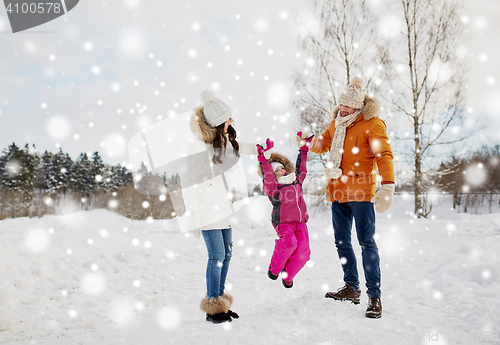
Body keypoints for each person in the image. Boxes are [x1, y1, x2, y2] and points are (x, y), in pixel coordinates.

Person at [304, 77, 395, 319]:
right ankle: (352, 287)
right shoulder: (337, 123)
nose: (343, 109)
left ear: (359, 107)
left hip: (362, 193)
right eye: (341, 105)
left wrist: (387, 186)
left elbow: (383, 155)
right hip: (338, 192)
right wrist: (309, 141)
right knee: (342, 243)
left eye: (348, 107)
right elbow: (324, 143)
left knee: (366, 243)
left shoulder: (372, 124)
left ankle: (374, 296)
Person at [189, 90, 241, 324]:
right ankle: (213, 306)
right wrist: (194, 215)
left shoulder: (226, 142)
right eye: (227, 119)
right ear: (219, 122)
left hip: (223, 205)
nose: (231, 122)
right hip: (208, 208)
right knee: (217, 255)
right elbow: (190, 181)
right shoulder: (201, 146)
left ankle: (220, 302)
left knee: (227, 254)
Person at [257, 134, 313, 288]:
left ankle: (288, 276)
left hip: (301, 222)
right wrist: (263, 160)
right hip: (283, 223)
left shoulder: (296, 180)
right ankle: (274, 269)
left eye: (282, 168)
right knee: (289, 243)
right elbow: (267, 177)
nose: (281, 171)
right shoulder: (274, 187)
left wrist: (303, 149)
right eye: (277, 170)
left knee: (303, 254)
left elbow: (302, 167)